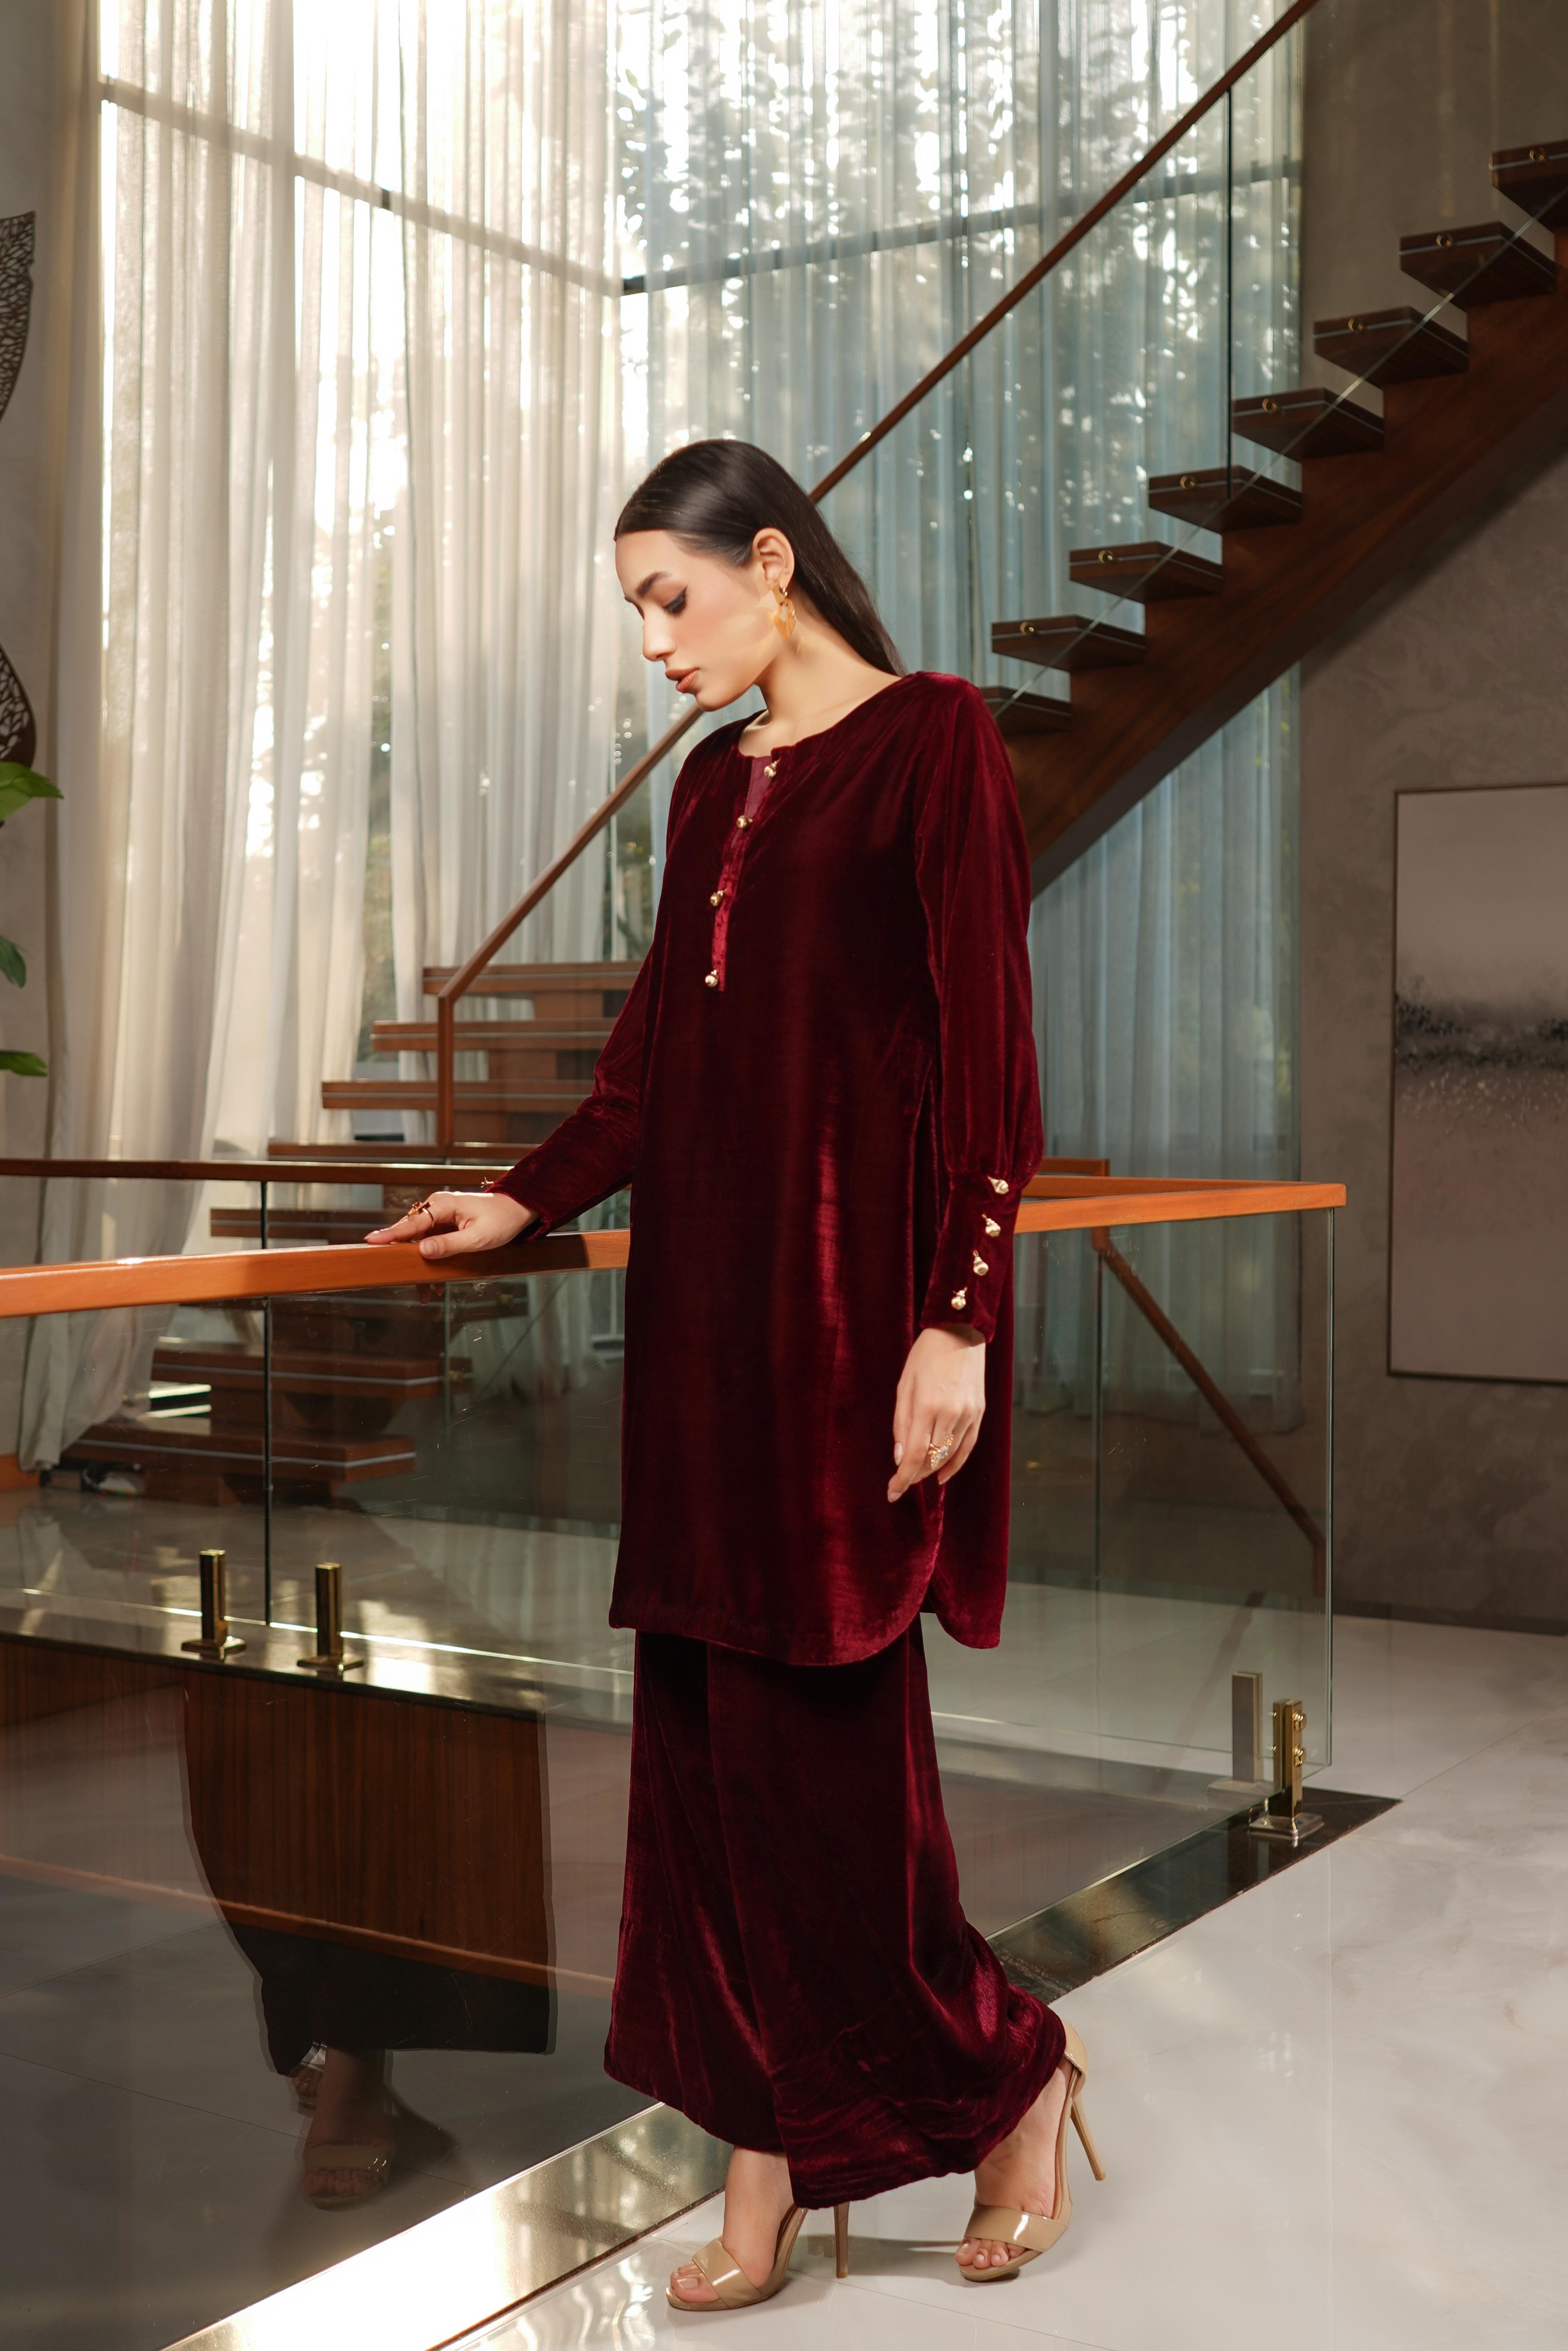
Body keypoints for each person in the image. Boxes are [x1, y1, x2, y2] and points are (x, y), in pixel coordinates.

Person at [367, 439, 1103, 2308]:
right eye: (633, 607)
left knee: (835, 1790)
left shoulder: (933, 740)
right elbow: (642, 1077)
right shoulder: (711, 789)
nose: (650, 638)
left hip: (856, 1356)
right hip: (702, 1355)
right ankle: (761, 2165)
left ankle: (1012, 2076)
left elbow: (989, 1063)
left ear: (771, 563)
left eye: (665, 595)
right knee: (699, 1788)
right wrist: (513, 1198)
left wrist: (956, 1323)